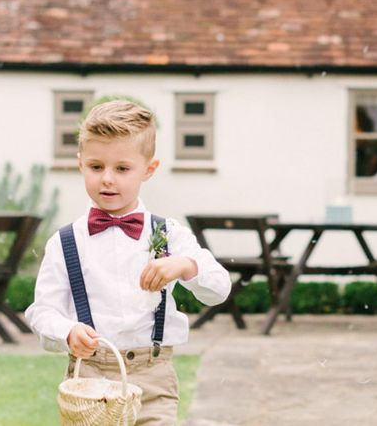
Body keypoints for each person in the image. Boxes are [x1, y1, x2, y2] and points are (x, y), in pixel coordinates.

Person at [26, 99, 231, 425]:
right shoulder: (66, 242)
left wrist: (184, 265)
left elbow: (219, 288)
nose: (107, 179)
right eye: (96, 167)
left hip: (154, 377)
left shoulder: (169, 234)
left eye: (122, 169)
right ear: (80, 164)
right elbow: (42, 311)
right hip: (90, 380)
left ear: (149, 170)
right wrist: (68, 331)